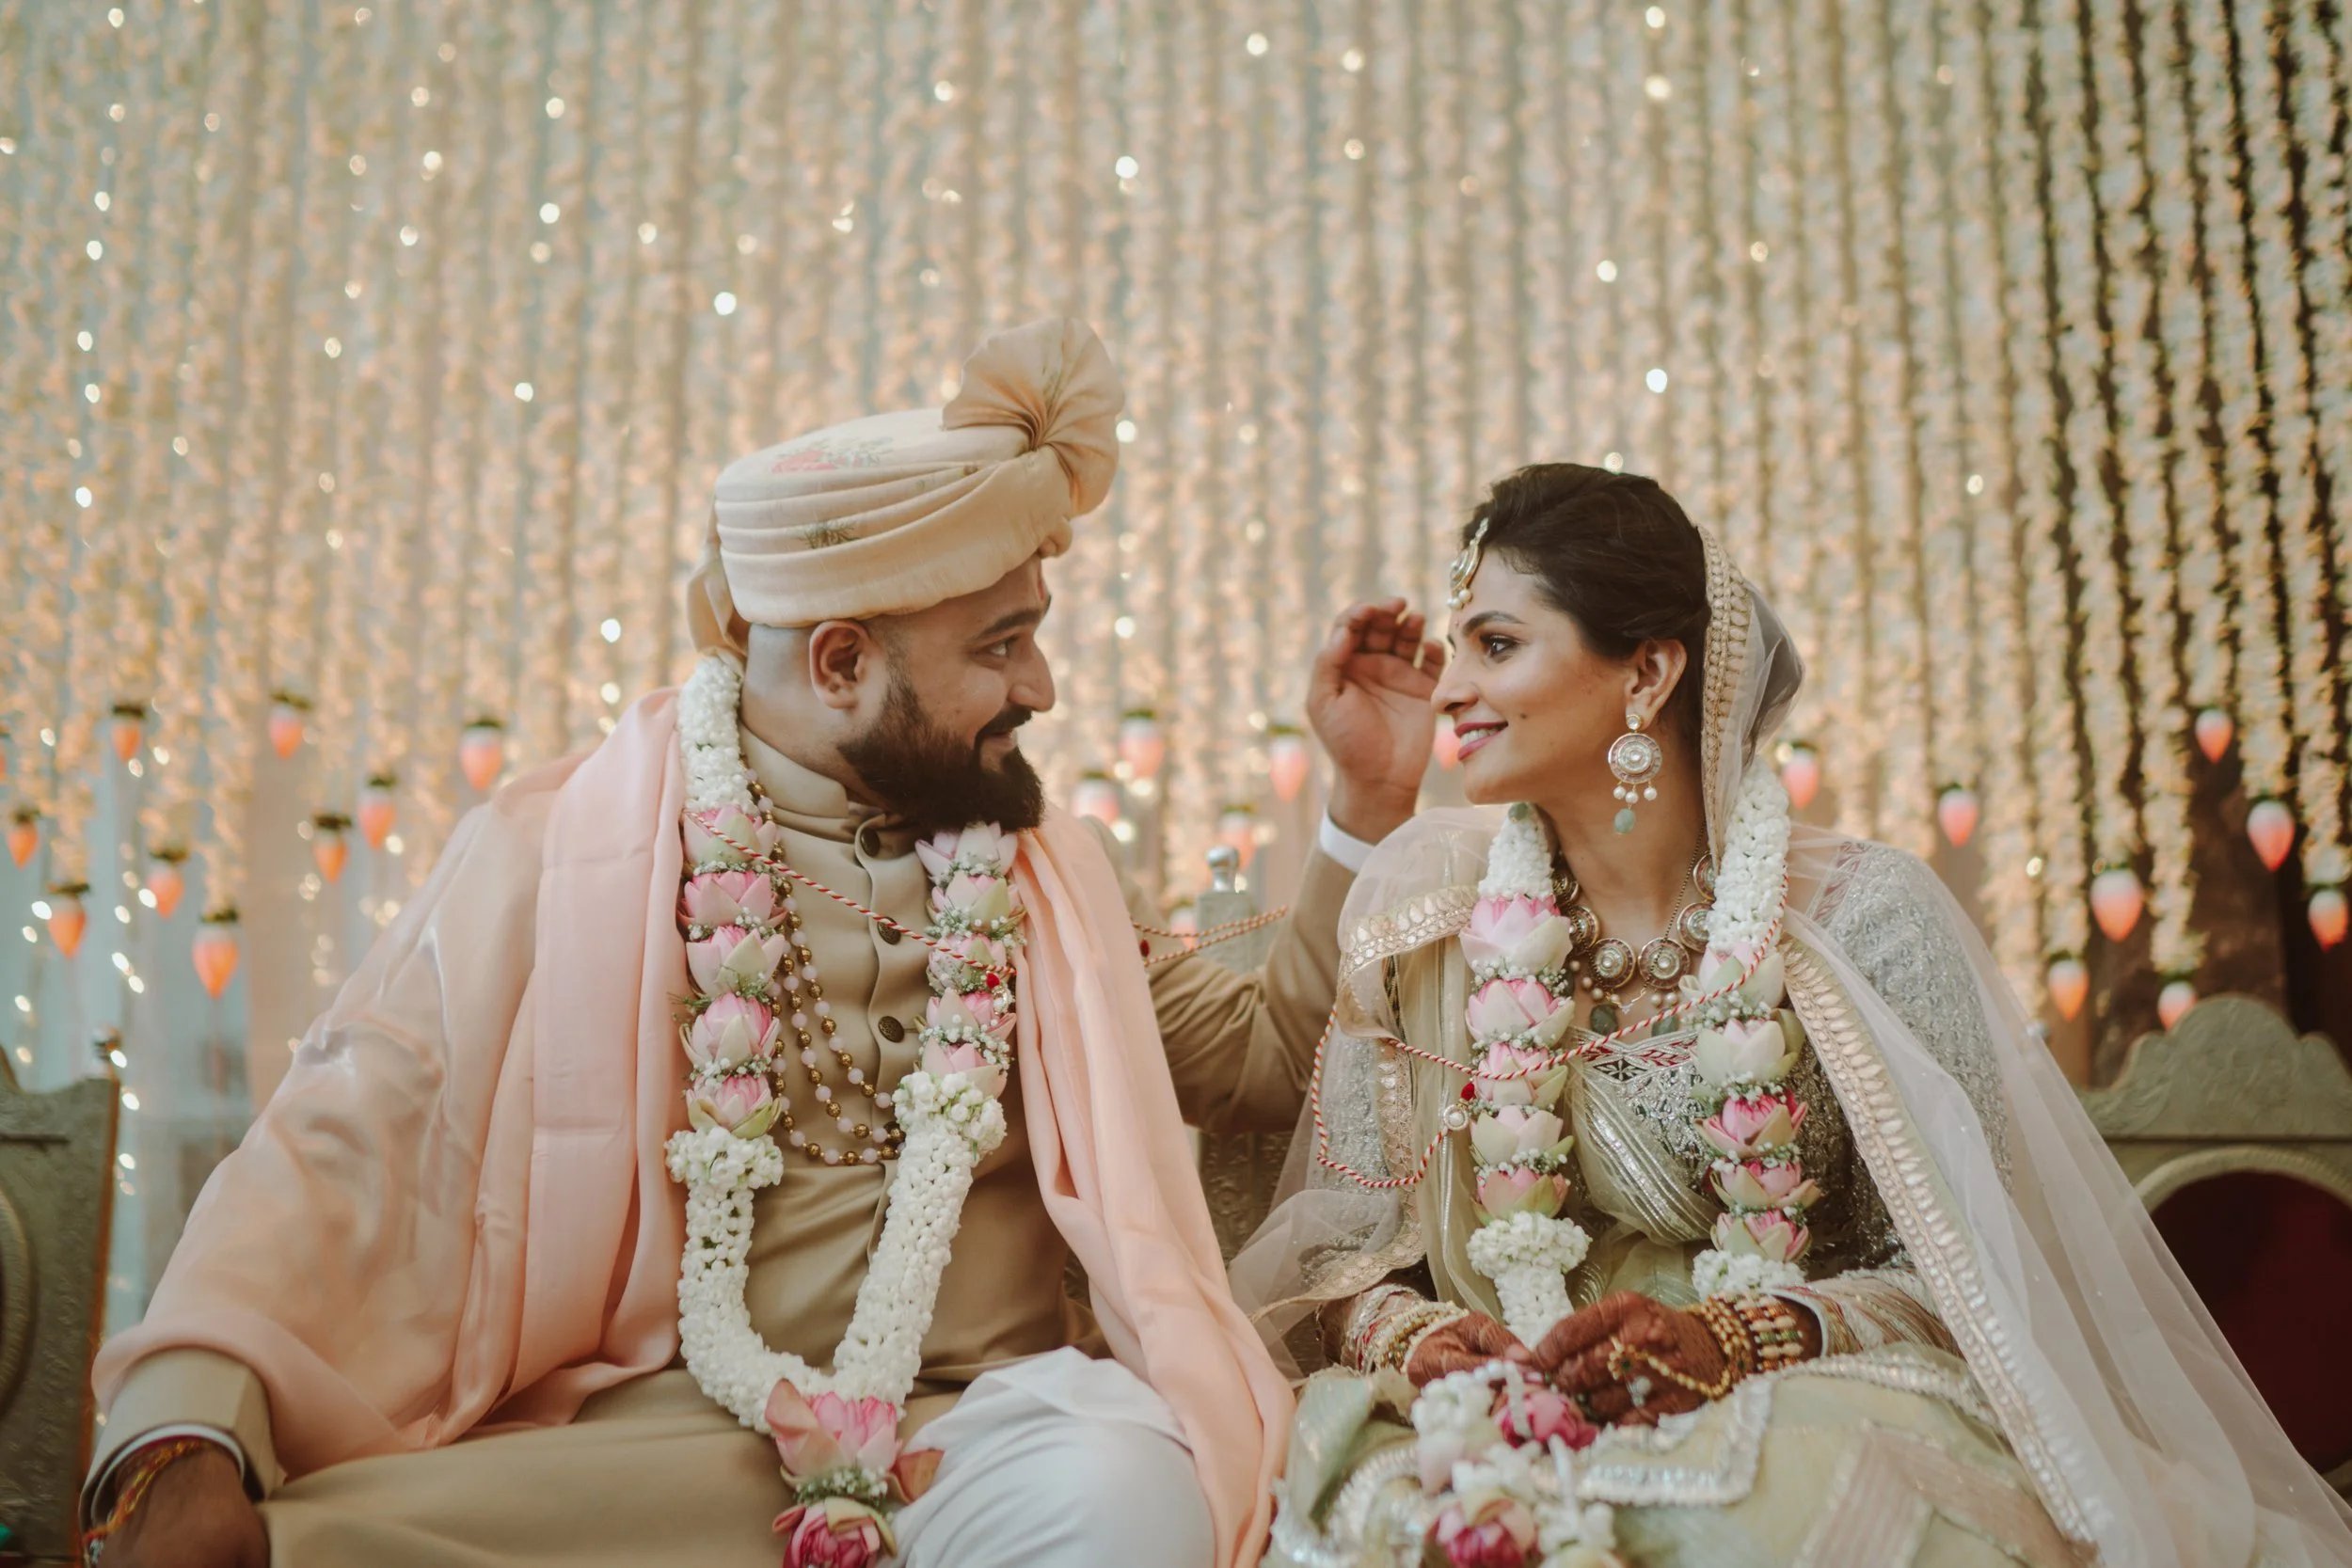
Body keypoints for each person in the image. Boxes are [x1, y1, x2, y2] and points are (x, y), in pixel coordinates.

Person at [81, 318, 1446, 1568]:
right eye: (1004, 645)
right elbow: (346, 1135)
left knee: (1128, 1498)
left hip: (989, 1432)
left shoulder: (1037, 885)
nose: (1042, 686)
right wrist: (180, 1430)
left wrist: (1364, 808)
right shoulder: (562, 852)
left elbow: (1274, 1055)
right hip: (662, 1443)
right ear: (841, 661)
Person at [1233, 463, 2352, 1568]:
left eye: (1497, 644)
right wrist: (1422, 1337)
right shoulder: (1426, 916)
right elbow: (1338, 1255)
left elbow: (1970, 1276)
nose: (1446, 692)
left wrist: (1741, 1335)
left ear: (1648, 671)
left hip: (1805, 1393)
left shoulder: (1866, 916)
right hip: (1498, 1411)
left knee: (1768, 1505)